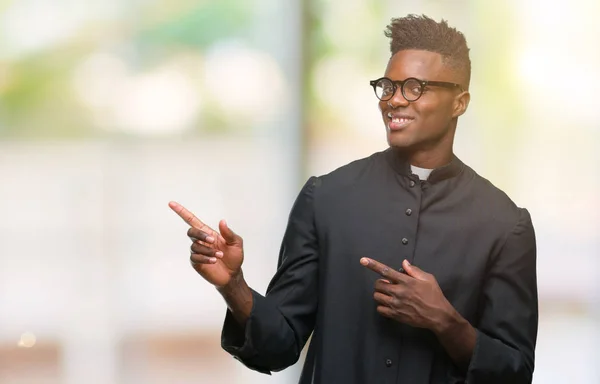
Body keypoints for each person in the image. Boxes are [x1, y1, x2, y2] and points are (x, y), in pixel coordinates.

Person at [169, 14, 538, 384]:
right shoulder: (326, 197)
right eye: (388, 86)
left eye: (413, 87)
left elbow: (515, 373)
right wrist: (232, 285)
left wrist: (444, 319)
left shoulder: (505, 225)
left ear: (460, 102)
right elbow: (278, 348)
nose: (394, 100)